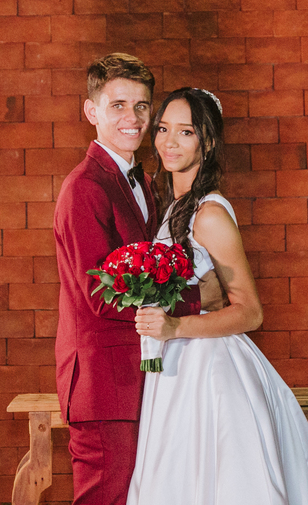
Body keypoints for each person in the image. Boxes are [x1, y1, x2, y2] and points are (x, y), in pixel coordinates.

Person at [128, 87, 308, 505]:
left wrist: (175, 326)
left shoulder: (210, 214)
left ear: (207, 141)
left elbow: (251, 312)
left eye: (186, 132)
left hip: (209, 369)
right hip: (175, 365)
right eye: (163, 129)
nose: (169, 141)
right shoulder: (172, 205)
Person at [53, 54, 223, 505]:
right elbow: (101, 294)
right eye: (118, 105)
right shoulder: (84, 187)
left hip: (144, 374)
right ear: (91, 111)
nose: (133, 118)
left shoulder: (144, 182)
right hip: (104, 384)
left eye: (142, 106)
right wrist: (197, 298)